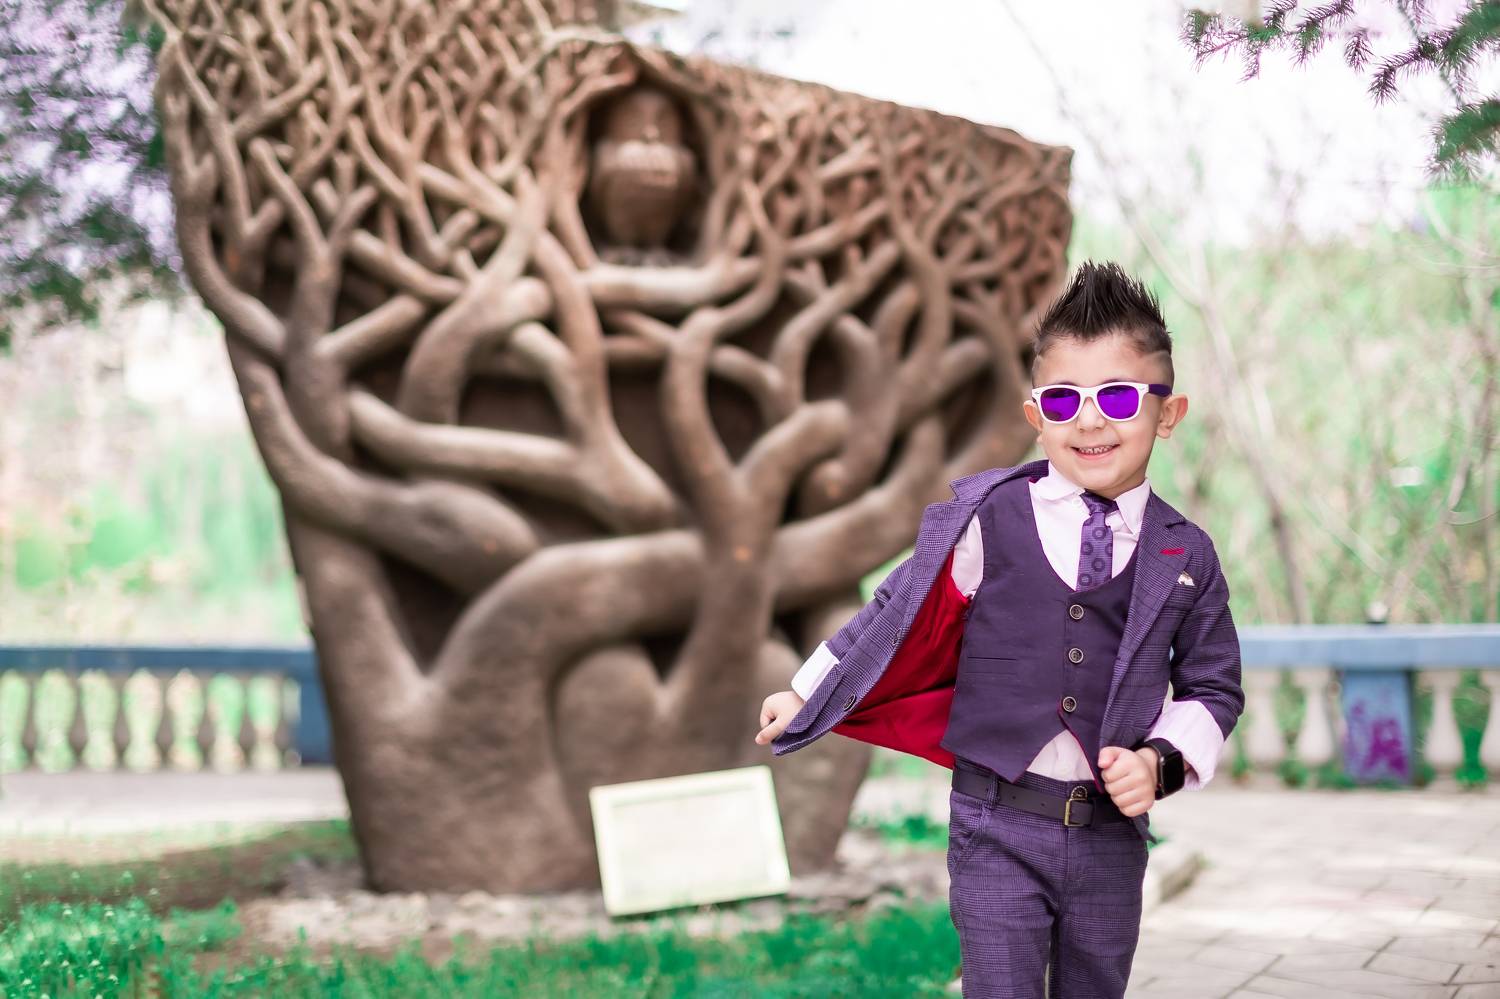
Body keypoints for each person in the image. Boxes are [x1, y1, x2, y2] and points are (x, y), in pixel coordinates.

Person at [753, 260, 1245, 998]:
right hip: (994, 822)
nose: (1089, 420)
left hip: (1110, 837)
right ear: (1035, 416)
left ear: (1167, 414)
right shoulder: (989, 516)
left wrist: (1159, 763)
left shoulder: (1186, 554)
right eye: (1063, 399)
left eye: (1117, 396)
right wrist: (809, 690)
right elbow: (899, 607)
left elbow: (1213, 686)